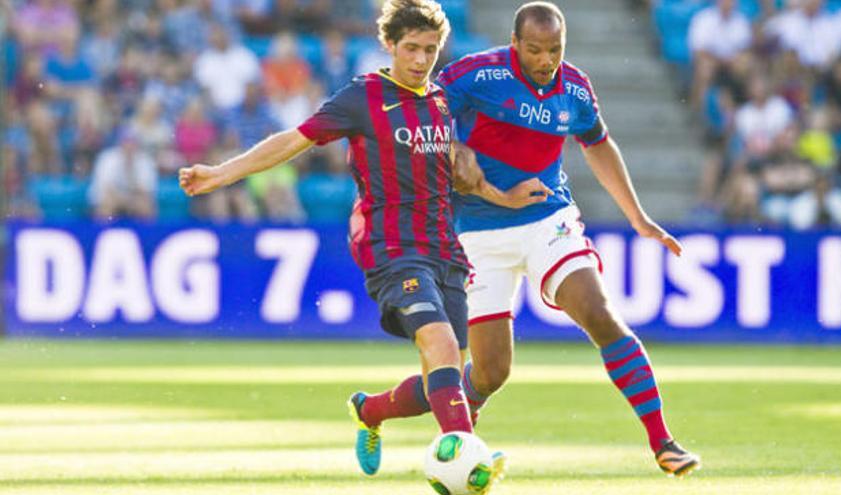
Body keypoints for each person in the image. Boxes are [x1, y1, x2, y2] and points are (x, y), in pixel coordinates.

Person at [178, 0, 549, 487]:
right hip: (392, 248)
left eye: (430, 51)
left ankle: (369, 410)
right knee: (439, 344)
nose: (420, 60)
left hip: (445, 249)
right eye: (411, 49)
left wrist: (501, 195)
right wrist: (221, 173)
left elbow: (452, 175)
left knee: (446, 374)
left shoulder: (438, 101)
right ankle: (468, 456)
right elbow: (296, 139)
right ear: (390, 45)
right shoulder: (364, 97)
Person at [353, 1, 701, 478]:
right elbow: (421, 111)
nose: (545, 60)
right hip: (475, 233)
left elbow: (597, 143)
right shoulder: (479, 75)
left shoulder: (574, 88)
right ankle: (372, 411)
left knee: (599, 313)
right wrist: (455, 147)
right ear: (514, 44)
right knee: (489, 372)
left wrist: (637, 217)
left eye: (554, 49)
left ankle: (663, 441)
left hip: (547, 220)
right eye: (534, 49)